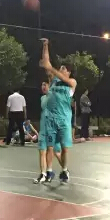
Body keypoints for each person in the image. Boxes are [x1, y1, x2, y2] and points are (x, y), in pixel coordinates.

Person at [39, 38, 76, 184]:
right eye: (60, 68)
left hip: (64, 120)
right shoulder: (52, 80)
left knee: (65, 149)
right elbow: (46, 63)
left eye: (63, 68)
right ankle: (49, 171)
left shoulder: (72, 82)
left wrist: (52, 68)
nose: (61, 70)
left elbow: (53, 70)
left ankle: (64, 170)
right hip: (51, 119)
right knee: (50, 147)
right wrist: (45, 45)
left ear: (69, 72)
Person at [34, 79, 65, 184]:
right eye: (42, 84)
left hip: (53, 129)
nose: (43, 86)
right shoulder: (42, 98)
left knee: (57, 152)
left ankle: (65, 170)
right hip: (43, 129)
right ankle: (43, 174)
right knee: (42, 151)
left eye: (45, 84)